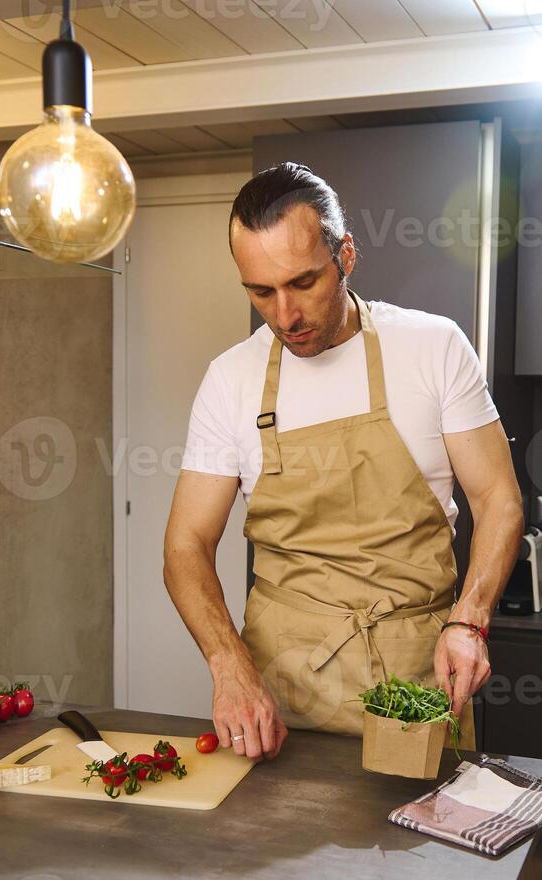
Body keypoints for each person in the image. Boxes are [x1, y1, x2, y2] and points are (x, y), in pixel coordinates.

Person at [163, 162, 523, 761]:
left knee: (421, 851)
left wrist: (470, 621)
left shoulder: (433, 348)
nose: (284, 316)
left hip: (421, 679)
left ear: (346, 256)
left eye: (303, 283)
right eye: (260, 292)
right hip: (281, 693)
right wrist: (229, 667)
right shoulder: (230, 379)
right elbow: (185, 545)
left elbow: (499, 500)